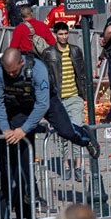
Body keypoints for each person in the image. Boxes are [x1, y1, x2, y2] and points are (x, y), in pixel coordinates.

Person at [0, 48, 100, 219]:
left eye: (14, 72)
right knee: (20, 150)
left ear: (21, 63)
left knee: (66, 131)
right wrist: (5, 128)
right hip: (18, 104)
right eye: (7, 72)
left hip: (46, 100)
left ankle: (85, 137)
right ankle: (26, 212)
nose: (10, 75)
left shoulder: (38, 70)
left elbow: (42, 105)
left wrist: (24, 129)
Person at [42, 22, 87, 182]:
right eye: (60, 34)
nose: (63, 36)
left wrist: (83, 96)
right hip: (58, 100)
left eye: (65, 33)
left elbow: (82, 74)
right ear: (55, 34)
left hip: (75, 97)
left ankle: (78, 166)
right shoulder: (48, 53)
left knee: (77, 131)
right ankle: (66, 165)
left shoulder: (75, 50)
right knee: (63, 134)